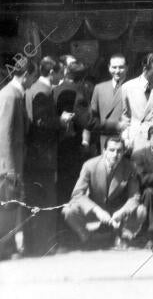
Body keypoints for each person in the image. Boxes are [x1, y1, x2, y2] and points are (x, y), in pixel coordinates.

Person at [24, 56, 72, 255]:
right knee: (44, 200)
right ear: (52, 72)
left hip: (35, 156)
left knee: (36, 200)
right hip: (42, 156)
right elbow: (41, 122)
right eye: (61, 72)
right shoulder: (42, 92)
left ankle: (35, 244)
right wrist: (61, 120)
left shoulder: (33, 89)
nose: (62, 76)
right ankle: (42, 246)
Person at [62, 137, 146, 249]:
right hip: (96, 208)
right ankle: (88, 239)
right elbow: (77, 194)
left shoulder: (130, 166)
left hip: (117, 211)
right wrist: (97, 211)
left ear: (124, 152)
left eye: (119, 151)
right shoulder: (90, 165)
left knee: (141, 210)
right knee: (68, 210)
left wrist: (122, 212)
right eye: (111, 150)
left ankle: (124, 237)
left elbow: (134, 197)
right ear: (104, 151)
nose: (115, 154)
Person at [0, 58, 34, 259]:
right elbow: (4, 134)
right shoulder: (10, 96)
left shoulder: (14, 94)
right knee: (7, 207)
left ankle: (9, 246)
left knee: (10, 207)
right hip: (7, 166)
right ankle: (5, 248)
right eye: (33, 76)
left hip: (12, 164)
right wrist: (10, 168)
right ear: (26, 75)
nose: (33, 81)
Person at [53, 62, 93, 205]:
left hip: (57, 144)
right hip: (74, 144)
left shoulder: (54, 90)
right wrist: (86, 142)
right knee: (74, 184)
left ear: (66, 72)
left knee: (60, 185)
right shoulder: (81, 92)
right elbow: (86, 120)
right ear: (82, 78)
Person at [121, 53, 153, 152]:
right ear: (145, 69)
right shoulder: (127, 87)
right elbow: (124, 117)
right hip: (136, 140)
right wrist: (125, 138)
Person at [89, 54, 127, 152]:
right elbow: (92, 118)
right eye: (114, 67)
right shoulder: (99, 88)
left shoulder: (133, 87)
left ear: (127, 68)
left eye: (121, 67)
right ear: (109, 68)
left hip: (126, 139)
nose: (117, 71)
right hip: (105, 141)